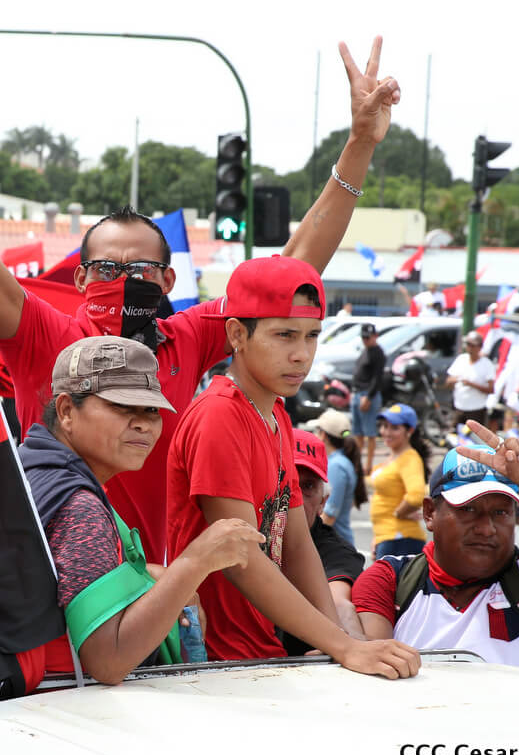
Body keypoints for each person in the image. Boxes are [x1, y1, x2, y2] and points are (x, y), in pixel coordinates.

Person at [0, 0, 401, 563]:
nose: (123, 280)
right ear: (79, 279)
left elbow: (291, 271)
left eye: (141, 269)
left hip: (155, 594)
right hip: (51, 586)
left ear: (167, 281)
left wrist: (359, 145)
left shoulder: (184, 341)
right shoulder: (43, 337)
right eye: (106, 268)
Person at [165, 257, 417, 675]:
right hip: (214, 662)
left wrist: (337, 641)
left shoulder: (276, 415)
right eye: (284, 335)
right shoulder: (220, 415)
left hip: (260, 652)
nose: (302, 355)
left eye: (312, 335)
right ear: (236, 334)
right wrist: (343, 646)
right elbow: (241, 558)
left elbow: (297, 542)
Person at [19, 335, 259, 685]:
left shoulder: (33, 468)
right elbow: (107, 661)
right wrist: (194, 563)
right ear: (67, 411)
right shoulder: (79, 507)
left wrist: (151, 577)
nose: (143, 424)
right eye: (121, 406)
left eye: (151, 410)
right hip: (52, 702)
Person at [354, 423, 519, 673]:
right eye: (468, 509)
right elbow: (375, 674)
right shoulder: (389, 581)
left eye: (500, 512)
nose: (486, 529)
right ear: (430, 513)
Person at [282, 428, 366, 655]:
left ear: (323, 502)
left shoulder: (336, 550)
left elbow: (337, 601)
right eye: (285, 481)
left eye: (307, 486)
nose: (295, 498)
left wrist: (352, 642)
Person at [369, 403, 430, 558]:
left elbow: (415, 496)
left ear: (410, 431)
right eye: (384, 426)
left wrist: (398, 514)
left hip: (400, 539)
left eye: (394, 428)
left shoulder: (409, 458)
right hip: (389, 537)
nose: (386, 432)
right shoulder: (394, 456)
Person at [307, 408, 367, 547]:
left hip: (333, 546)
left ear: (323, 435)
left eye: (317, 430)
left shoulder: (336, 466)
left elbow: (329, 515)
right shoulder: (339, 462)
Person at [351, 322, 386, 473]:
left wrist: (369, 397)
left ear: (375, 336)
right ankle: (357, 463)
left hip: (367, 394)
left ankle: (368, 465)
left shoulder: (377, 353)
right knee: (357, 432)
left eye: (368, 337)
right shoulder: (366, 350)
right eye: (363, 338)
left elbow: (377, 378)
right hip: (358, 393)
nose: (365, 340)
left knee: (369, 433)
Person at [446, 330, 495, 427]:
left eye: (472, 345)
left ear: (479, 347)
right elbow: (448, 381)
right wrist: (458, 380)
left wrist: (471, 384)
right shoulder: (461, 359)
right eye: (468, 344)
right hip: (459, 408)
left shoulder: (487, 364)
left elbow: (491, 389)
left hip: (477, 410)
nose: (469, 348)